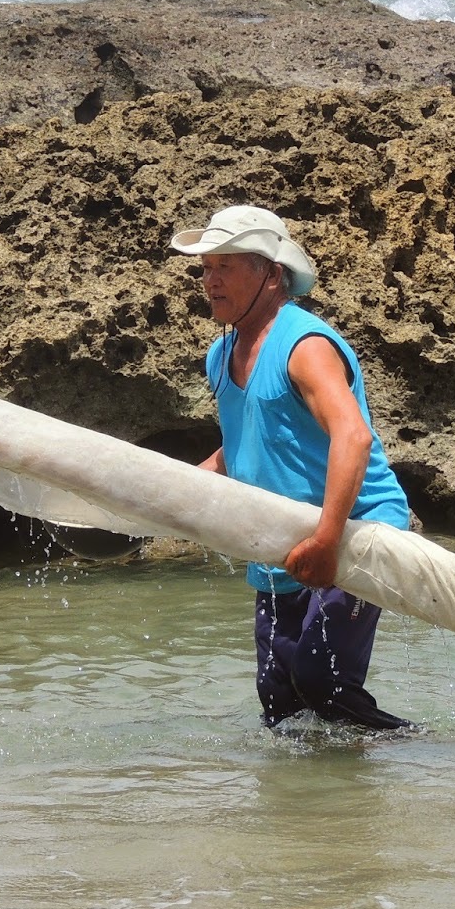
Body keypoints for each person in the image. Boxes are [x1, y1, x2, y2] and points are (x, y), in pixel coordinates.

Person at [171, 205, 415, 732]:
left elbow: (353, 436)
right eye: (206, 268)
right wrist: (169, 492)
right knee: (279, 701)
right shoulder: (222, 353)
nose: (210, 281)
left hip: (353, 530)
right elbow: (242, 449)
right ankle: (313, 811)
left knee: (322, 681)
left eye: (226, 267)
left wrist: (328, 542)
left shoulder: (305, 347)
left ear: (272, 274)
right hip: (279, 538)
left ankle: (420, 755)